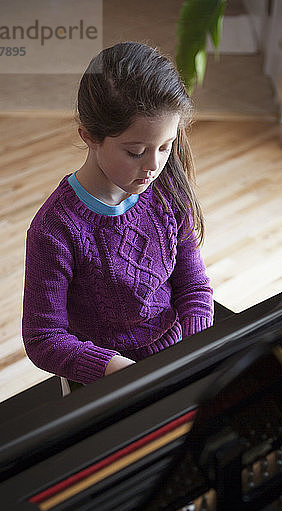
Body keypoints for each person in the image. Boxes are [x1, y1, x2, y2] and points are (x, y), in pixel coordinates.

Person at [22, 41, 214, 386]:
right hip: (106, 378)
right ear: (90, 136)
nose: (154, 165)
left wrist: (195, 349)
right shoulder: (54, 229)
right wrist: (120, 373)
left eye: (166, 146)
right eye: (135, 151)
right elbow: (43, 337)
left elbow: (194, 287)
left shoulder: (169, 190)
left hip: (175, 355)